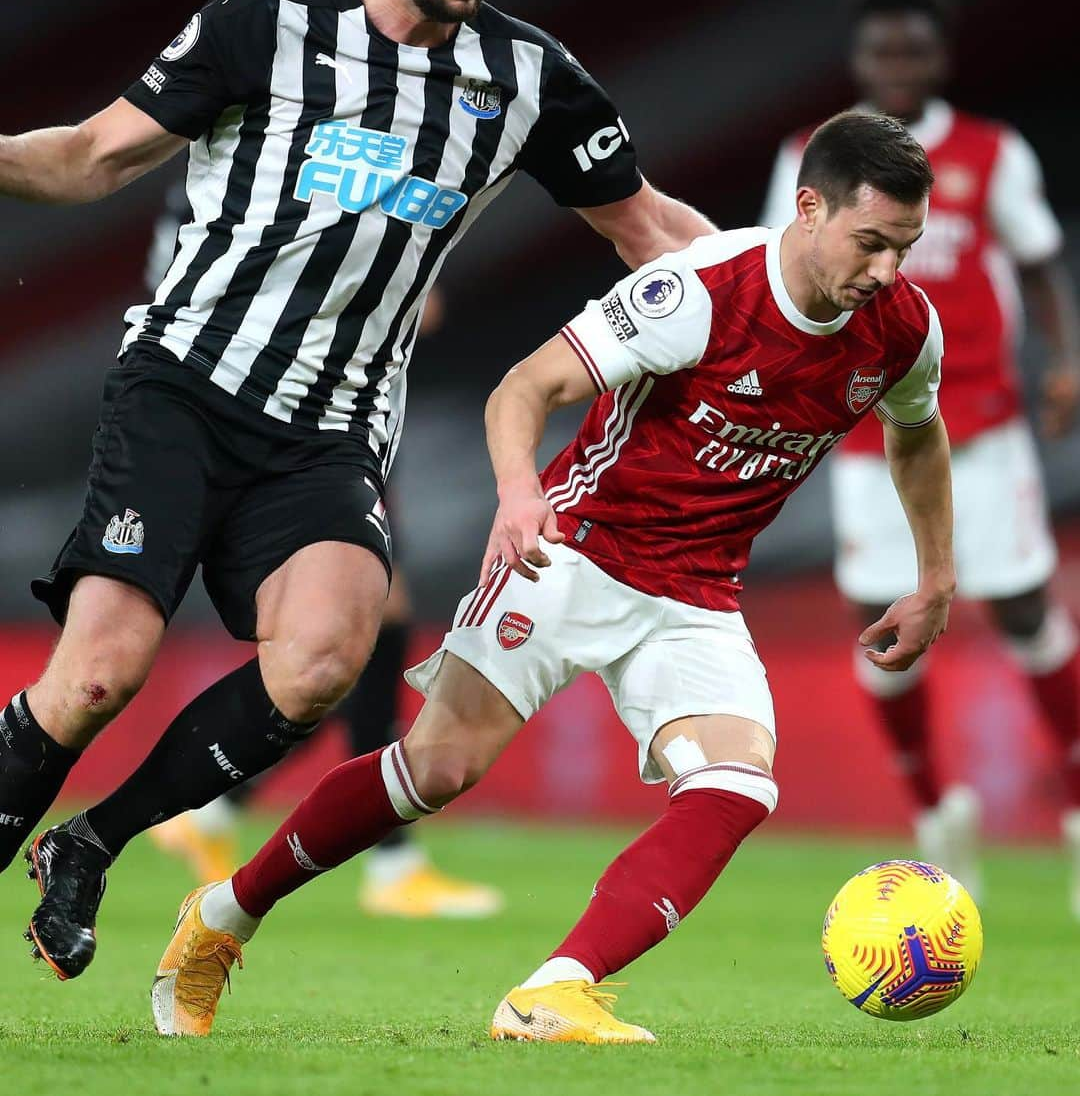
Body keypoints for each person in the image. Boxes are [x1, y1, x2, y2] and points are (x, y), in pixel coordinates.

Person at [0, 0, 715, 981]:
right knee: (96, 674)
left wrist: (780, 288)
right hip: (185, 383)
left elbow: (643, 227)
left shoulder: (528, 79)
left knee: (326, 657)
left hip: (332, 428)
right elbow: (86, 159)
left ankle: (94, 844)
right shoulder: (264, 23)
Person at [151, 110, 954, 1043]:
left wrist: (935, 576)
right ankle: (223, 917)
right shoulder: (700, 291)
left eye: (906, 246)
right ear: (809, 210)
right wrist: (518, 494)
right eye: (871, 243)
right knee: (436, 768)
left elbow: (918, 429)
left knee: (739, 787)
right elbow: (522, 387)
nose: (888, 270)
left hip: (697, 594)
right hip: (572, 552)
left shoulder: (902, 329)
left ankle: (554, 992)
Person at [761, 0, 1080, 903]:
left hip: (980, 425)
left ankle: (1075, 811)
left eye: (915, 48)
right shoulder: (812, 155)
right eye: (882, 49)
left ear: (940, 56)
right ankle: (938, 819)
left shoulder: (991, 151)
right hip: (867, 431)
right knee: (887, 632)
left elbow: (1039, 259)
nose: (899, 64)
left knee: (1024, 609)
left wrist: (1063, 360)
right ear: (858, 59)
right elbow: (778, 264)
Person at [144, 179, 501, 915]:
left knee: (357, 635)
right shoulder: (277, 164)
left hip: (270, 412)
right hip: (298, 417)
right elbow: (409, 302)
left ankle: (216, 809)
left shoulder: (216, 171)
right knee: (355, 629)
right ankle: (387, 861)